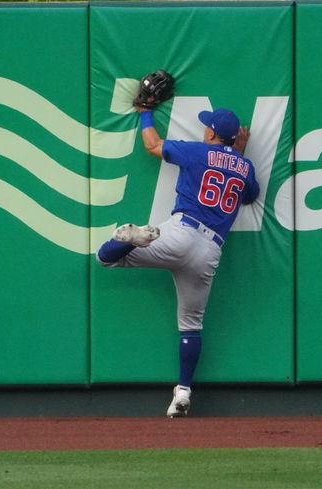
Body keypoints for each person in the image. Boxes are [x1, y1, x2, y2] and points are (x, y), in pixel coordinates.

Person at [95, 106, 258, 418]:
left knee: (106, 258)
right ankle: (183, 391)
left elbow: (152, 145)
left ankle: (129, 237)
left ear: (211, 133)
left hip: (181, 232)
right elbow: (249, 195)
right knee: (191, 325)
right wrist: (239, 155)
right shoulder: (245, 167)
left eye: (206, 127)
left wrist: (144, 113)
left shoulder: (198, 151)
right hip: (210, 250)